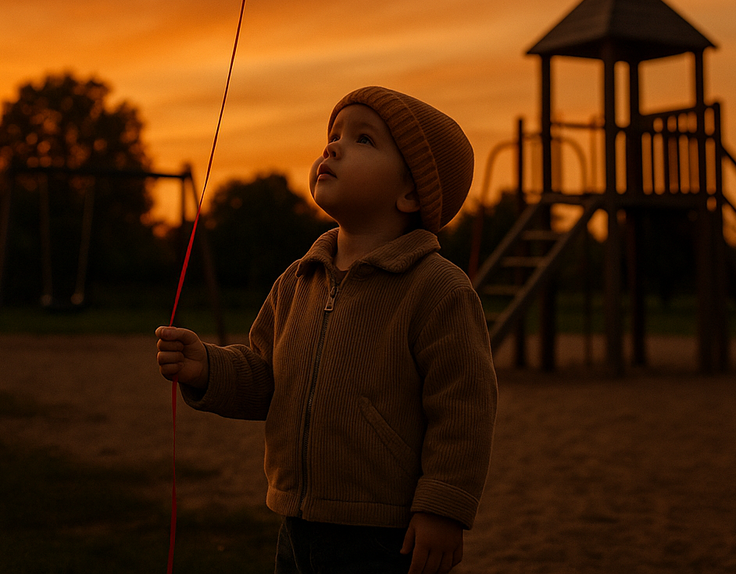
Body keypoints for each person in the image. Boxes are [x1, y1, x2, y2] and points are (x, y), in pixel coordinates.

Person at [156, 86, 498, 574]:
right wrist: (206, 367)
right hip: (295, 522)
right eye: (333, 135)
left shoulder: (438, 288)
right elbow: (264, 378)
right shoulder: (298, 279)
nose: (332, 146)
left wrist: (443, 508)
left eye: (363, 139)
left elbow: (465, 408)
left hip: (383, 535)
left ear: (411, 192)